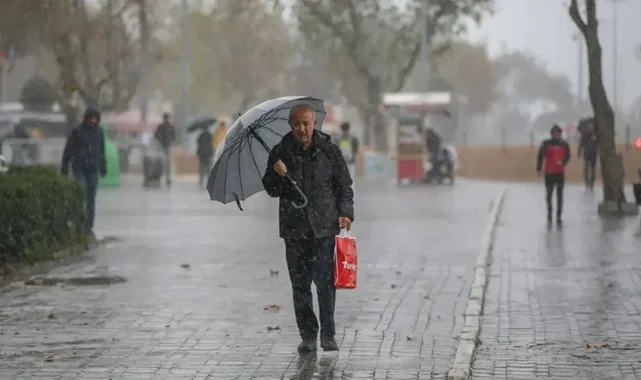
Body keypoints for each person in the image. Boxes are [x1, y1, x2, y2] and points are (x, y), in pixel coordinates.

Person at [262, 104, 354, 354]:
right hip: (294, 230)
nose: (302, 129)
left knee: (325, 285)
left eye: (306, 123)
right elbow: (271, 189)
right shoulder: (280, 152)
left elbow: (344, 185)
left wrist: (346, 213)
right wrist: (278, 174)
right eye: (296, 124)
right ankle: (308, 336)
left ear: (314, 123)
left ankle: (328, 334)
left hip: (324, 228)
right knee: (300, 286)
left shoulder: (329, 151)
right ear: (290, 125)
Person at [60, 106, 107, 234]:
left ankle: (89, 225)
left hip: (93, 169)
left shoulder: (99, 132)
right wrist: (64, 166)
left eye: (95, 118)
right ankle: (80, 222)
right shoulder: (78, 131)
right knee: (82, 193)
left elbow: (101, 150)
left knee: (91, 197)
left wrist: (103, 166)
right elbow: (68, 150)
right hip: (79, 168)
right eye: (91, 117)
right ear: (86, 118)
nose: (93, 120)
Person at [536, 124, 571, 224]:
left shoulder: (564, 144)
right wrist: (539, 169)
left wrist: (563, 162)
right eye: (554, 133)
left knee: (559, 195)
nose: (556, 135)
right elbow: (540, 156)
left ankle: (559, 215)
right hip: (549, 173)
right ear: (551, 134)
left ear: (560, 133)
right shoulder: (546, 144)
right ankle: (549, 213)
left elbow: (568, 156)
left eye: (558, 133)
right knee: (549, 194)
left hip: (560, 173)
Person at [154, 112, 176, 186]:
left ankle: (168, 178)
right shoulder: (161, 127)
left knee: (168, 163)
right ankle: (160, 177)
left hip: (168, 146)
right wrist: (161, 140)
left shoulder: (170, 127)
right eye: (165, 118)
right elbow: (156, 135)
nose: (166, 119)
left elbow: (174, 136)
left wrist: (170, 139)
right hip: (162, 146)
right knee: (161, 163)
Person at [578, 118, 598, 190]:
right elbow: (581, 142)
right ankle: (587, 183)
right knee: (586, 168)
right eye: (589, 125)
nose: (590, 126)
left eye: (591, 124)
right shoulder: (585, 134)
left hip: (594, 152)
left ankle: (592, 183)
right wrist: (579, 151)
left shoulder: (595, 133)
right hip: (586, 152)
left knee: (593, 169)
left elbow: (598, 143)